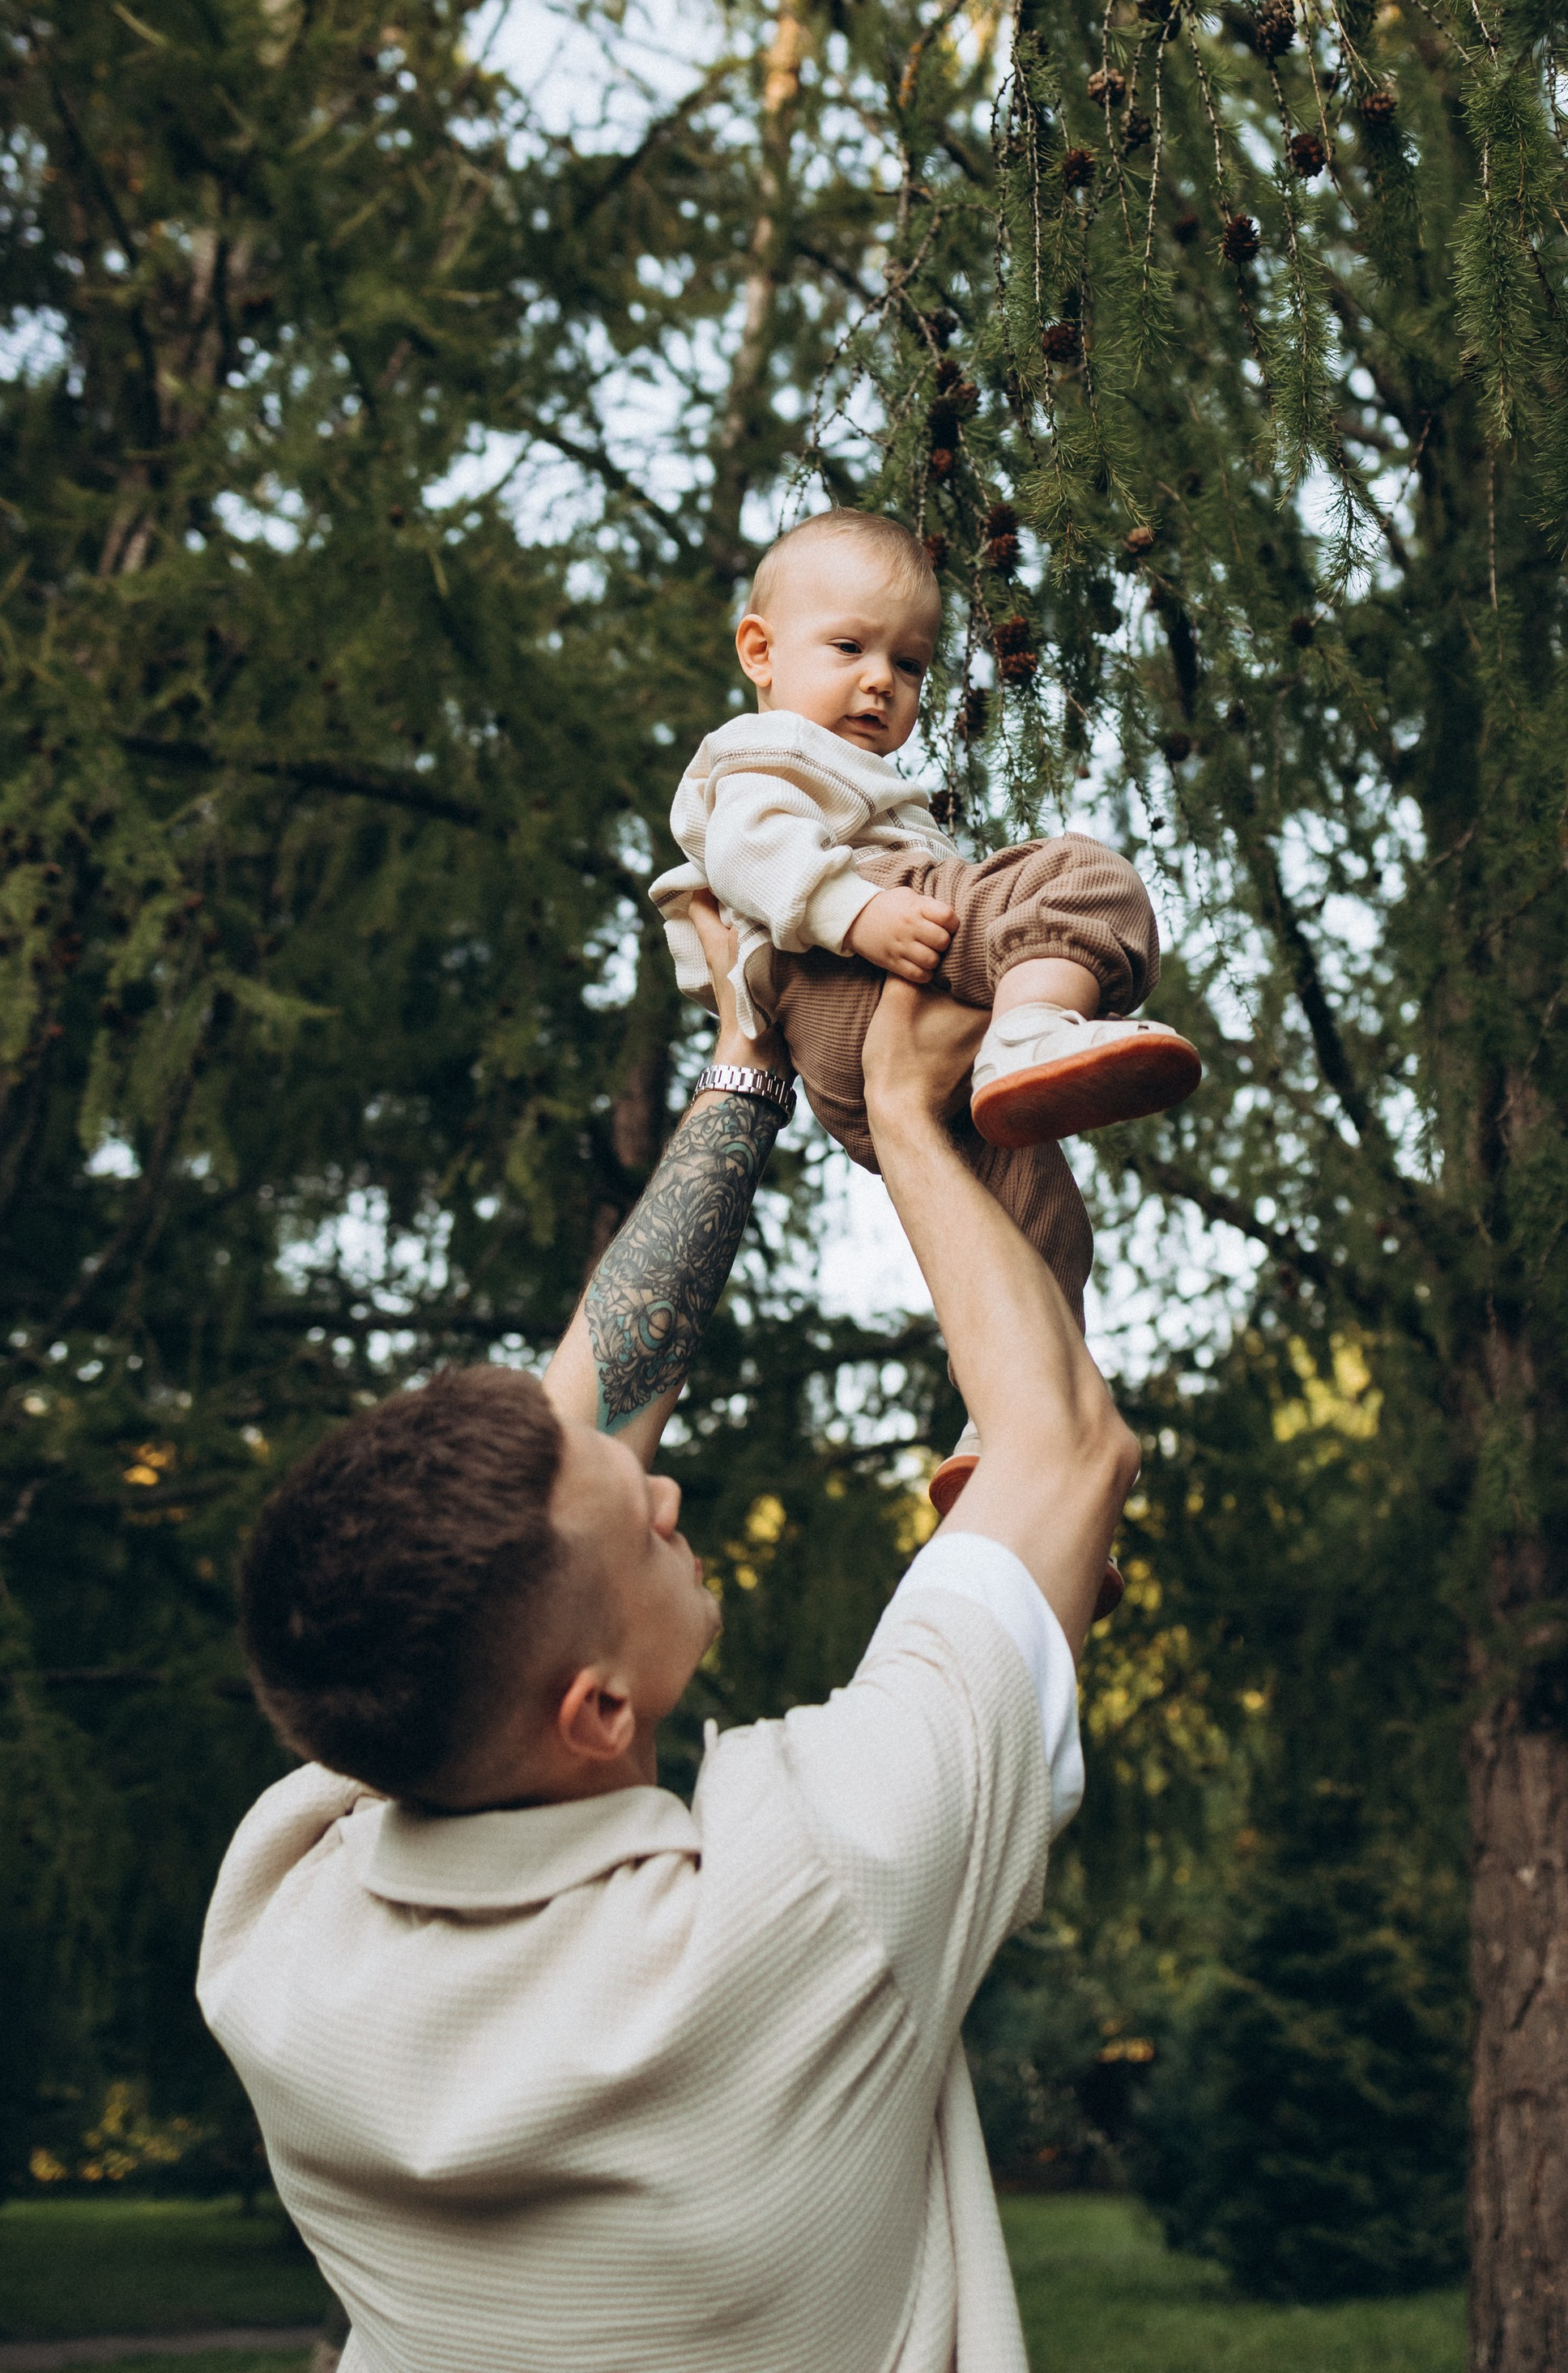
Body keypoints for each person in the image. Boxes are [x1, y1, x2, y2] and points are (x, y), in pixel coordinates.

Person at [198, 896, 1139, 2373]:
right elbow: (1063, 1447)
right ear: (592, 1713)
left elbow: (561, 1455)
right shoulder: (814, 1892)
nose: (664, 1482)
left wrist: (749, 1065)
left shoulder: (280, 1935)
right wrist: (901, 1113)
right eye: (641, 1517)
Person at [649, 505, 1202, 1324]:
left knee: (1037, 1218)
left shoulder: (842, 767)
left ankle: (1009, 1406)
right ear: (760, 652)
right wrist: (856, 909)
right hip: (841, 964)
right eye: (849, 648)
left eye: (909, 665)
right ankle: (1029, 1029)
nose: (881, 680)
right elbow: (749, 847)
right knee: (1083, 876)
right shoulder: (767, 751)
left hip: (841, 1052)